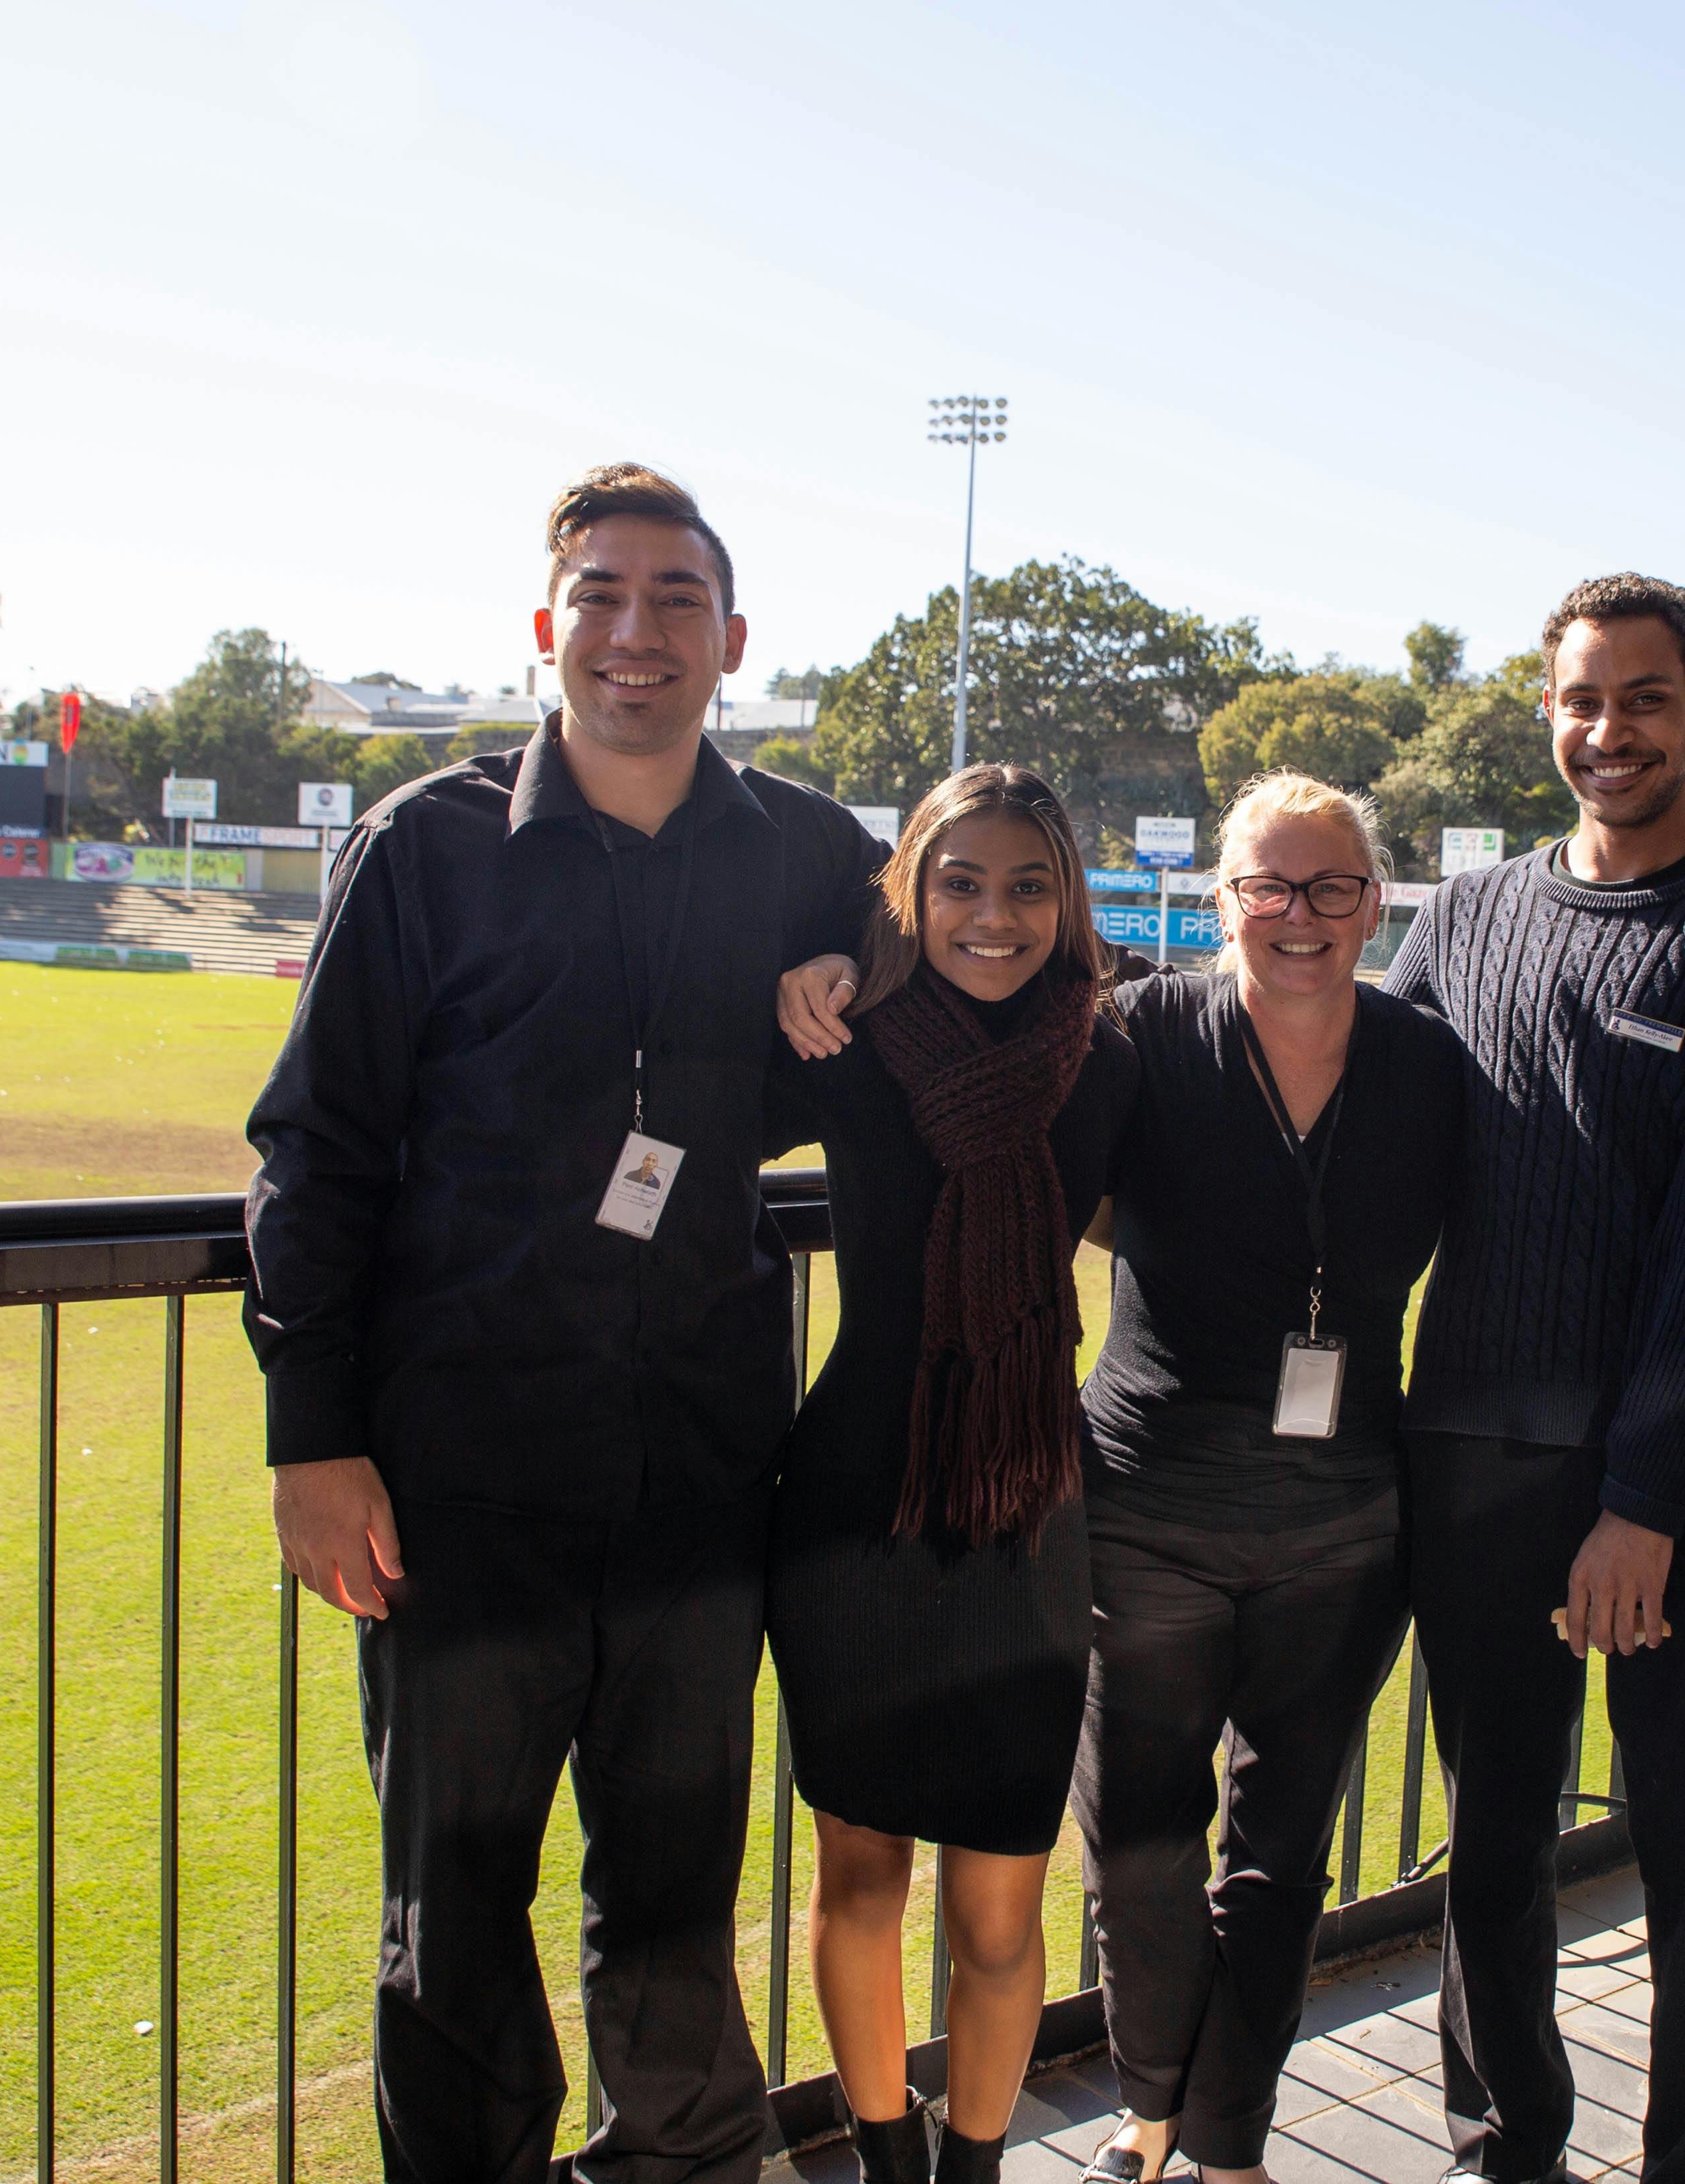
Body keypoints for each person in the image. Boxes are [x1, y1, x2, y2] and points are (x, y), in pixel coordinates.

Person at [244, 464, 883, 2183]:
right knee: (452, 1905)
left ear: (732, 639)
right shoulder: (425, 849)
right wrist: (313, 1434)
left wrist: (855, 976)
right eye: (602, 595)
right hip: (459, 1488)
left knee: (673, 1898)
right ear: (547, 627)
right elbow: (316, 1148)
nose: (637, 632)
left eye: (677, 600)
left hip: (698, 1480)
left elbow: (1006, 953)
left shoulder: (821, 857)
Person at [1380, 576, 1685, 2184]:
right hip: (1475, 1461)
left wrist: (1642, 1501)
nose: (1608, 731)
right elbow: (1355, 1126)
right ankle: (1505, 2137)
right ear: (1547, 713)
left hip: (1682, 1490)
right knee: (1493, 1833)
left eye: (1643, 698)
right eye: (1581, 699)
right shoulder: (1465, 916)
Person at [1072, 772, 1463, 2184]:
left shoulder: (1428, 1063)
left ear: (1373, 900)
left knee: (1280, 1849)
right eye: (1267, 887)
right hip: (1147, 1504)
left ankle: (1225, 2138)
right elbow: (1054, 1181)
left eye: (1331, 888)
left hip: (1341, 1521)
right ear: (1220, 895)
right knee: (1137, 1839)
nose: (1298, 919)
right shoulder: (1136, 1036)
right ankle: (1148, 2096)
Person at [762, 765, 1139, 2184]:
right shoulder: (845, 1037)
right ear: (911, 892)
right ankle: (881, 2157)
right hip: (856, 1503)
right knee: (858, 1877)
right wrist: (807, 970)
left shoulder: (1108, 1057)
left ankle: (974, 2166)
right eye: (960, 882)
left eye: (1028, 885)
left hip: (1024, 1512)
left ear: (1067, 900)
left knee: (997, 1905)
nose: (994, 914)